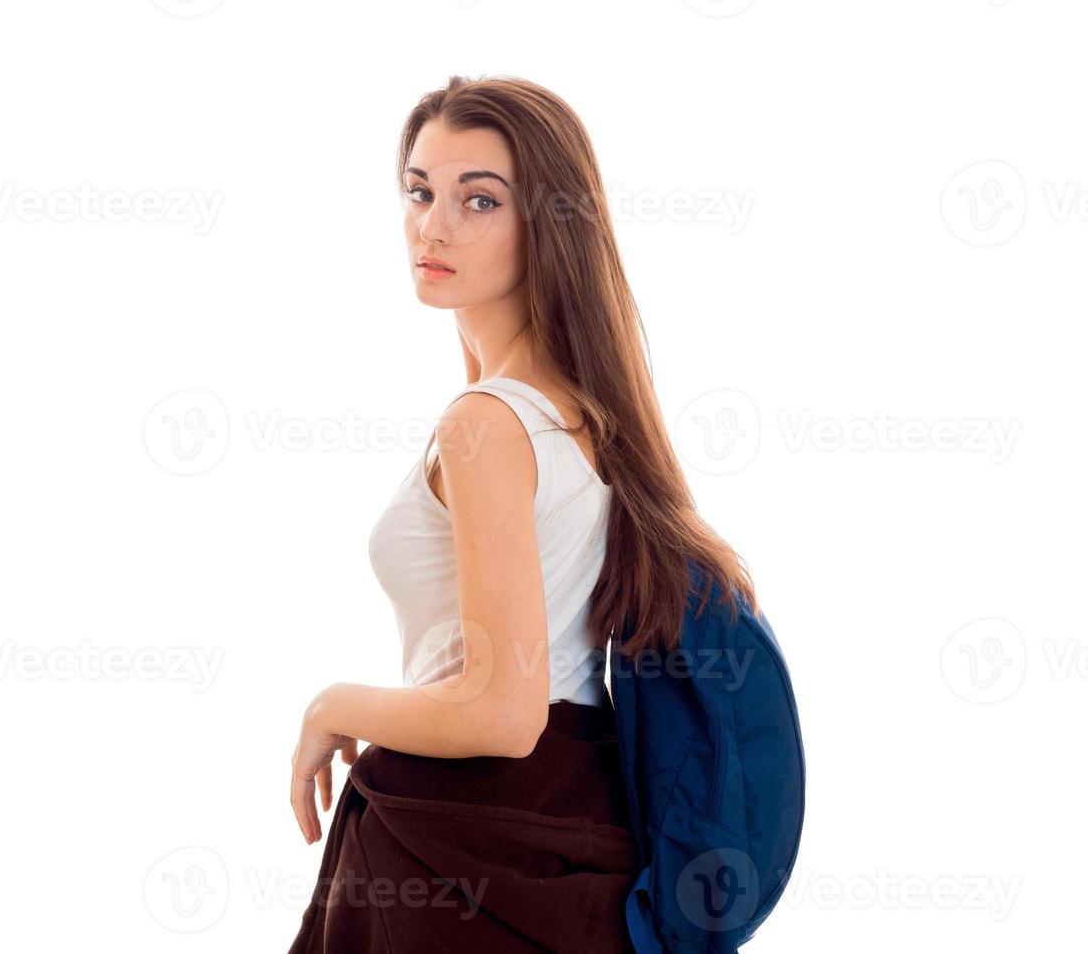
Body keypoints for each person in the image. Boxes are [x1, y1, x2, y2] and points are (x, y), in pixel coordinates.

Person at [287, 74, 759, 953]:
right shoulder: (586, 414)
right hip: (557, 821)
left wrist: (332, 704)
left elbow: (504, 713)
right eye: (421, 191)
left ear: (549, 224)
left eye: (479, 200)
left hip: (463, 834)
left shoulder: (489, 423)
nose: (434, 224)